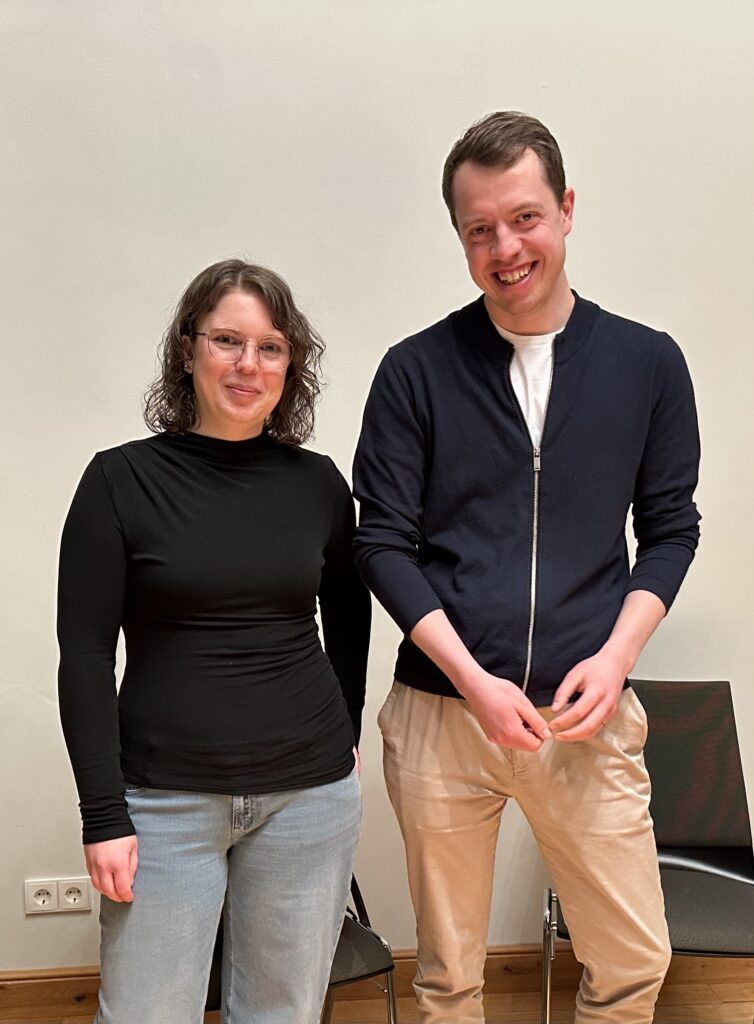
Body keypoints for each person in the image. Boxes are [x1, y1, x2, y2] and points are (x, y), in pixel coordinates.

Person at [353, 112, 700, 1023]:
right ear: (460, 236)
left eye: (524, 218)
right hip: (442, 714)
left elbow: (670, 530)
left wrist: (617, 657)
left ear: (566, 209)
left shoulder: (648, 364)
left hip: (585, 715)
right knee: (448, 978)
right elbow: (381, 541)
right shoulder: (414, 371)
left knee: (633, 962)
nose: (505, 248)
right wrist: (472, 680)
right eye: (480, 229)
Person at [58, 259, 370, 1024]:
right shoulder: (119, 482)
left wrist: (347, 728)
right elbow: (87, 657)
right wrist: (103, 813)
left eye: (270, 347)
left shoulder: (319, 484)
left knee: (282, 1012)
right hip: (164, 801)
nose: (247, 363)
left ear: (291, 365)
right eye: (228, 340)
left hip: (308, 797)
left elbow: (349, 615)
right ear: (188, 348)